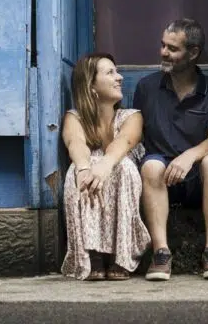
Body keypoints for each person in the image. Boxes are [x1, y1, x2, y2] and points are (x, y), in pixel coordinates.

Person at [132, 18, 208, 281]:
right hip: (159, 173)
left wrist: (189, 156)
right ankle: (161, 253)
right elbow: (135, 133)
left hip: (198, 175)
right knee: (151, 166)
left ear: (194, 53)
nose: (164, 53)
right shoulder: (146, 87)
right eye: (163, 45)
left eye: (172, 49)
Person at [60, 53, 150, 281]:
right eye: (110, 73)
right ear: (91, 85)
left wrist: (104, 166)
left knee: (125, 167)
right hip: (92, 170)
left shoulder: (131, 116)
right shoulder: (75, 117)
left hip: (118, 169)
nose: (119, 77)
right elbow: (76, 143)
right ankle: (93, 253)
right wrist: (83, 168)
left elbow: (124, 142)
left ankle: (120, 254)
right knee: (78, 170)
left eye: (116, 71)